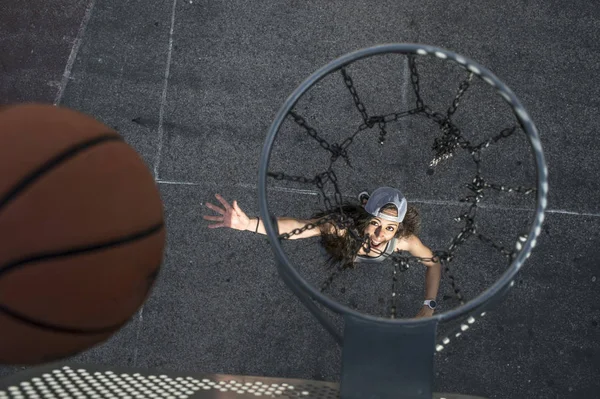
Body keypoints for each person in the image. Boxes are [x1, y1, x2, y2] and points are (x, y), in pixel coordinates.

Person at [203, 187, 441, 318]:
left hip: (359, 244)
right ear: (364, 219)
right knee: (333, 242)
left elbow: (434, 263)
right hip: (345, 247)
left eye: (390, 228)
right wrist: (249, 224)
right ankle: (365, 203)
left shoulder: (403, 241)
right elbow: (298, 226)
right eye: (375, 223)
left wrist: (428, 305)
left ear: (398, 229)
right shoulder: (340, 229)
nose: (380, 235)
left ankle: (367, 200)